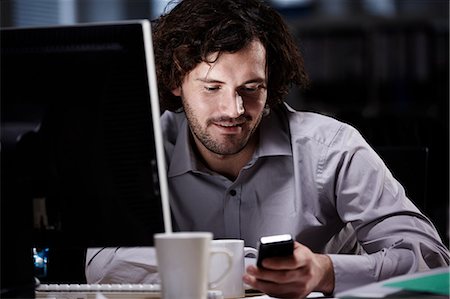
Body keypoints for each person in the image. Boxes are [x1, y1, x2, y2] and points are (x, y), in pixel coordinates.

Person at [85, 0, 450, 297]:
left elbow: (433, 261)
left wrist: (325, 272)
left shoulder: (333, 148)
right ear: (176, 80)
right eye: (212, 88)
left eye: (251, 87)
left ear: (271, 82)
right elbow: (95, 259)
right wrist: (231, 265)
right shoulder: (140, 149)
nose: (234, 110)